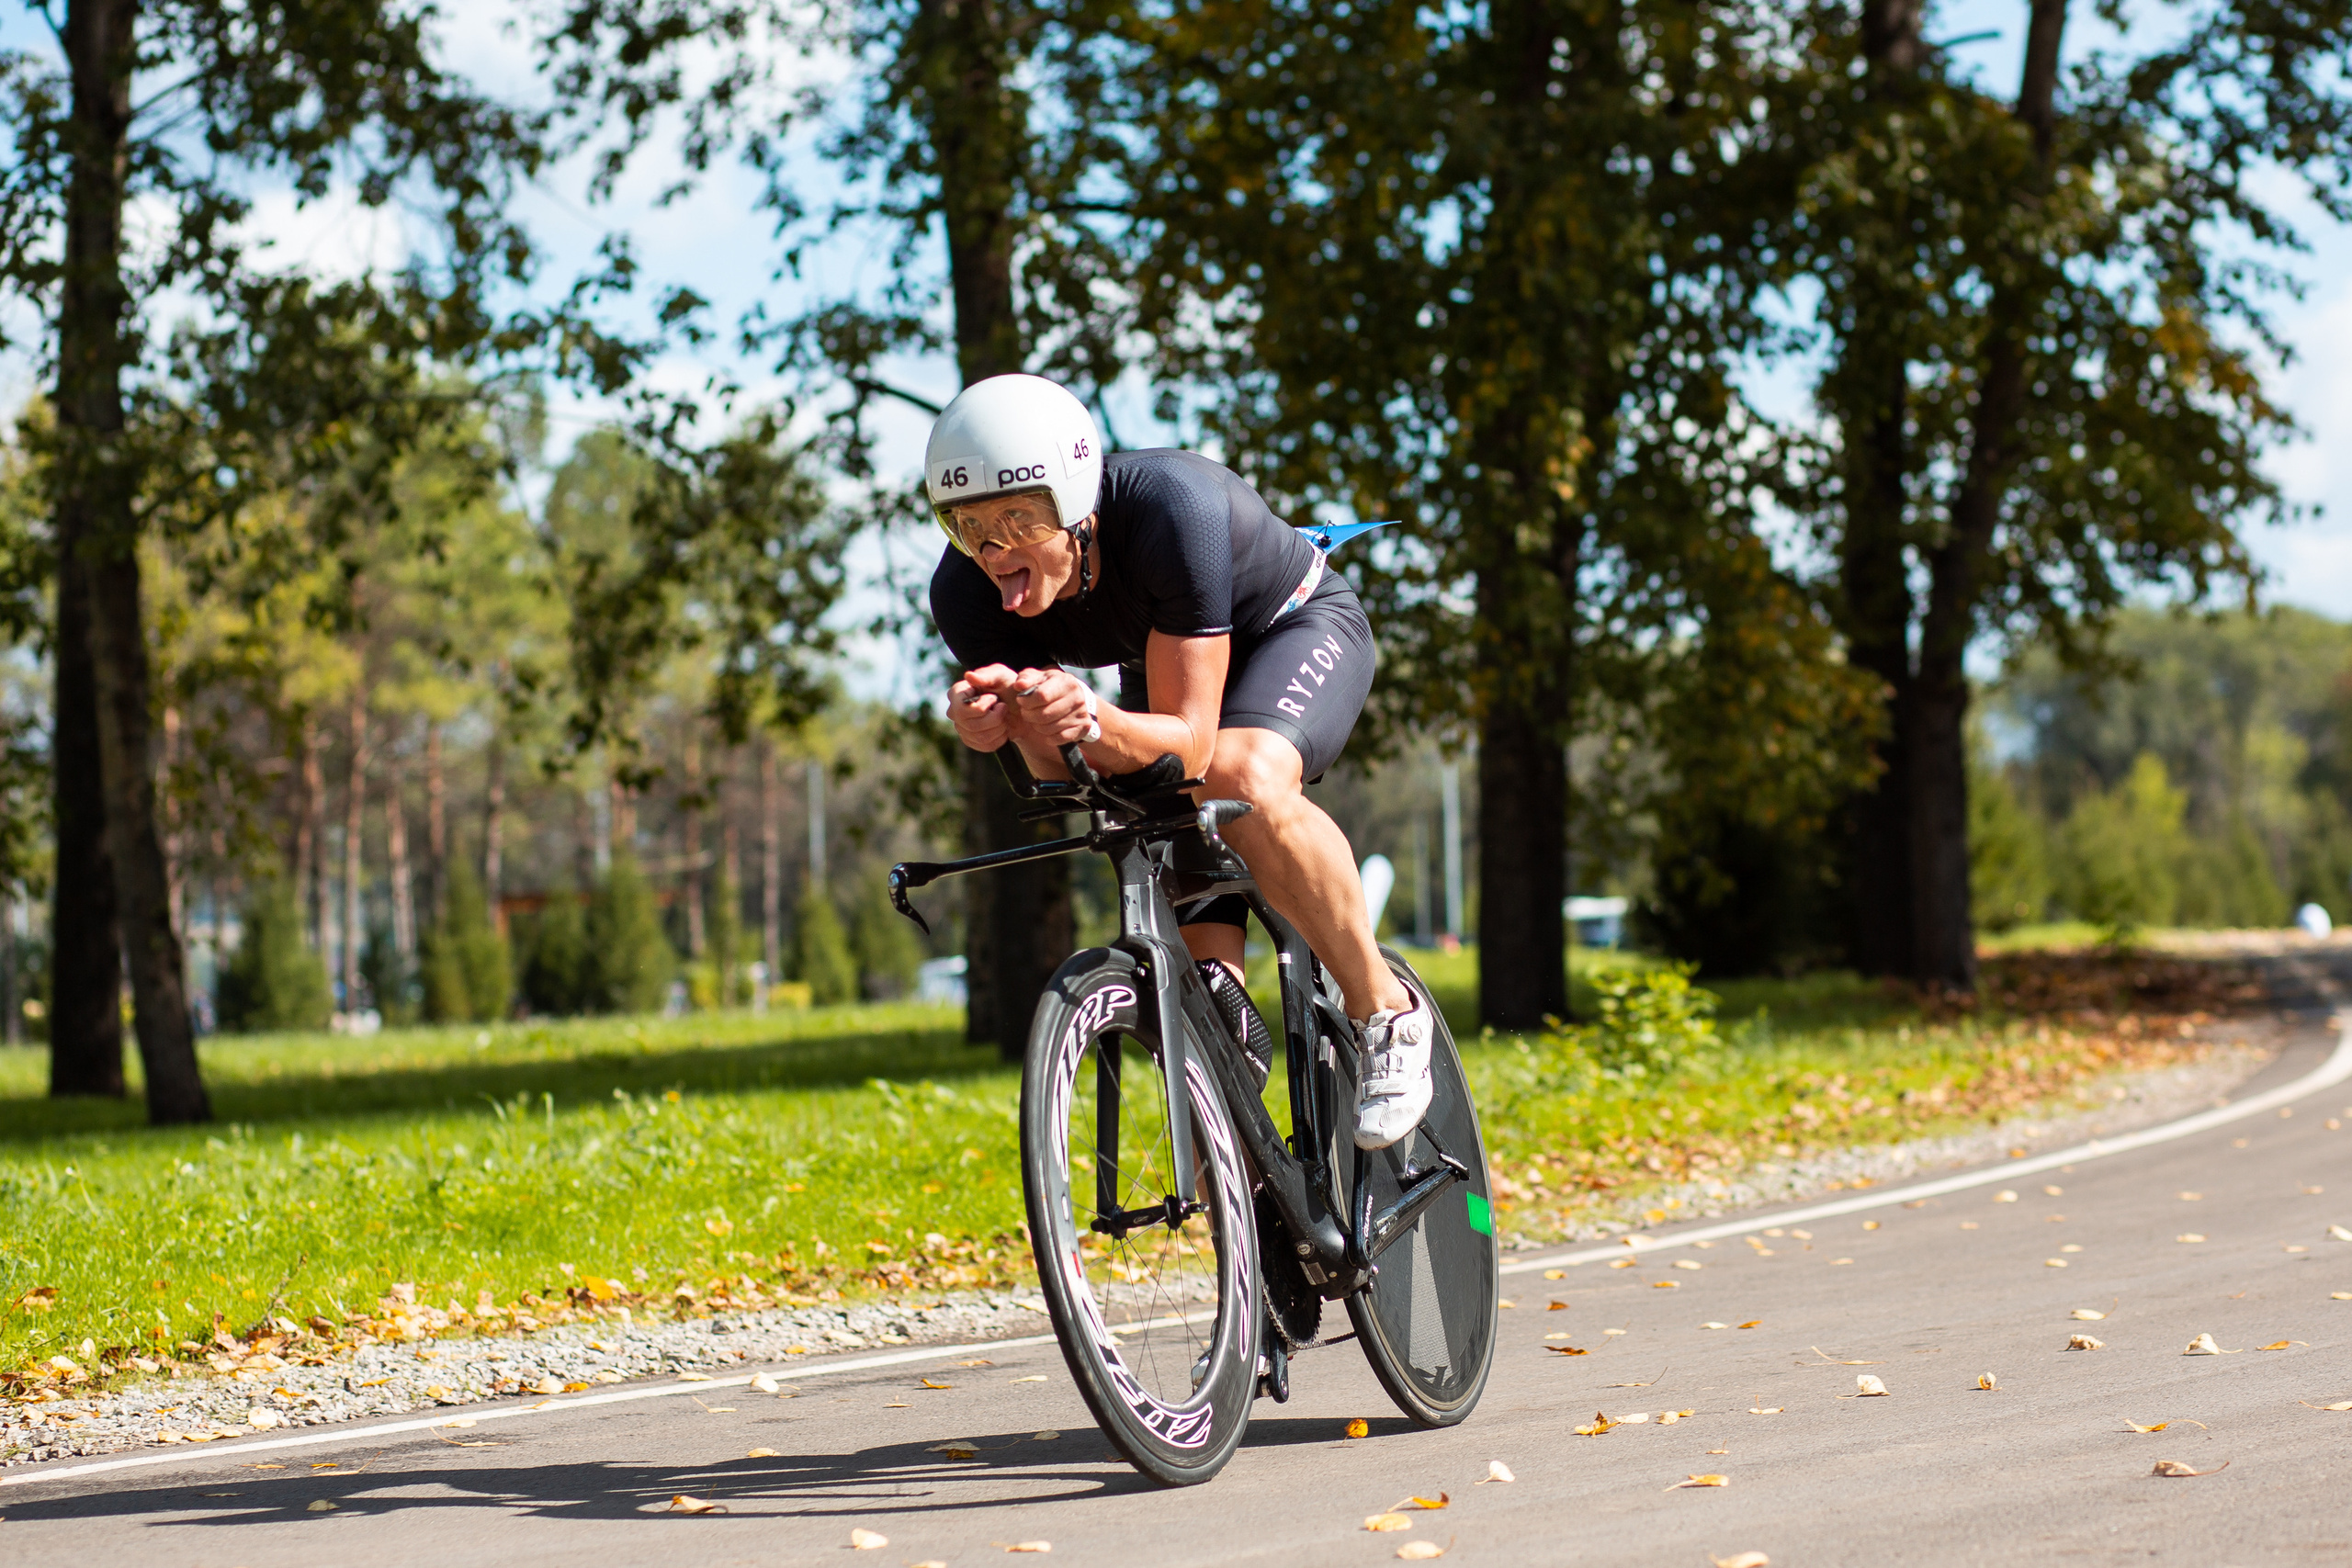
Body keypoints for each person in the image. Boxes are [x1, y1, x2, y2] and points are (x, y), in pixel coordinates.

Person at [926, 372, 1432, 1150]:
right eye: (968, 527)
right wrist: (1007, 726)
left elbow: (1192, 744)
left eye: (1019, 517)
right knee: (1207, 1029)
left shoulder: (1171, 507)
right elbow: (1064, 777)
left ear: (1076, 502)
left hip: (1291, 629)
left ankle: (1386, 1010)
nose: (994, 550)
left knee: (1237, 775)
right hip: (1164, 661)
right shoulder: (963, 592)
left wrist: (1089, 715)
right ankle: (1241, 1185)